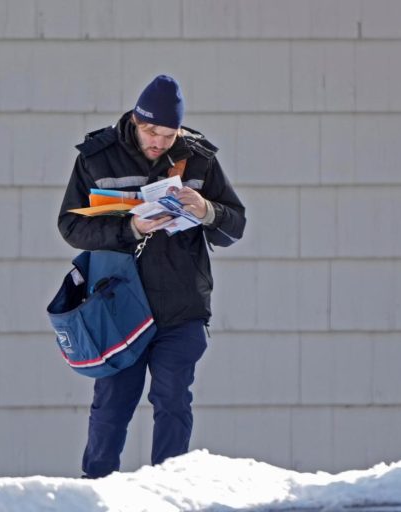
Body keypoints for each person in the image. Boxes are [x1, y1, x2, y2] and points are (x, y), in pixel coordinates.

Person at [57, 74, 246, 479]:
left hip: (181, 305)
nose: (160, 141)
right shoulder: (96, 157)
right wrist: (130, 229)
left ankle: (169, 490)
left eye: (169, 133)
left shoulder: (199, 159)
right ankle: (95, 492)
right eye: (151, 132)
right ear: (135, 121)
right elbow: (71, 227)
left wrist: (206, 211)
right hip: (117, 306)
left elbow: (236, 226)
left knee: (173, 400)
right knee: (112, 404)